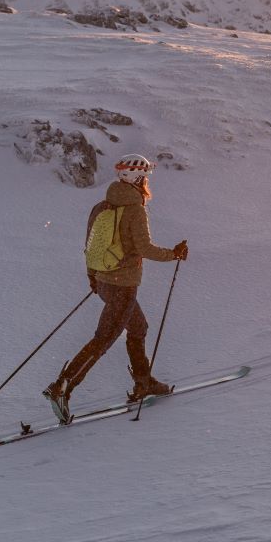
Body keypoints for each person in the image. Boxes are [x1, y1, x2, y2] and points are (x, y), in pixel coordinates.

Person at [43, 154, 189, 424]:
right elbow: (144, 249)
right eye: (145, 177)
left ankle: (143, 382)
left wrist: (93, 277)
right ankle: (62, 387)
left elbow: (90, 246)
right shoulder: (135, 209)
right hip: (123, 286)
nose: (147, 182)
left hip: (104, 282)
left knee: (138, 328)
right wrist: (174, 254)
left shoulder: (102, 206)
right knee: (104, 339)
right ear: (137, 178)